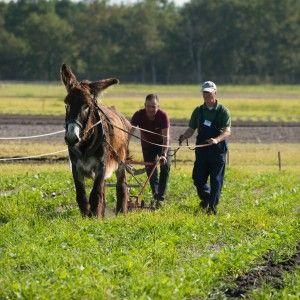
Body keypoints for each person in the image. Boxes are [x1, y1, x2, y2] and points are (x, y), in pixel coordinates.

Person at [178, 81, 231, 215]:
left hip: (217, 150)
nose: (206, 95)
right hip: (202, 150)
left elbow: (227, 131)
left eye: (209, 92)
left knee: (216, 180)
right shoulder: (198, 111)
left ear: (215, 93)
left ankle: (212, 208)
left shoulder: (223, 111)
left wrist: (216, 139)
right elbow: (191, 129)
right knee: (198, 178)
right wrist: (184, 136)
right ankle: (207, 199)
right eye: (204, 93)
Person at [131, 94, 171, 208]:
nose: (151, 109)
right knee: (151, 171)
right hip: (147, 146)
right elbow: (129, 133)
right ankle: (155, 195)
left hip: (162, 145)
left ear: (158, 106)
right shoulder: (138, 115)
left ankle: (161, 197)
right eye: (148, 106)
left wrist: (163, 154)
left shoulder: (163, 116)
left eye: (153, 106)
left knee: (165, 167)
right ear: (145, 106)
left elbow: (166, 137)